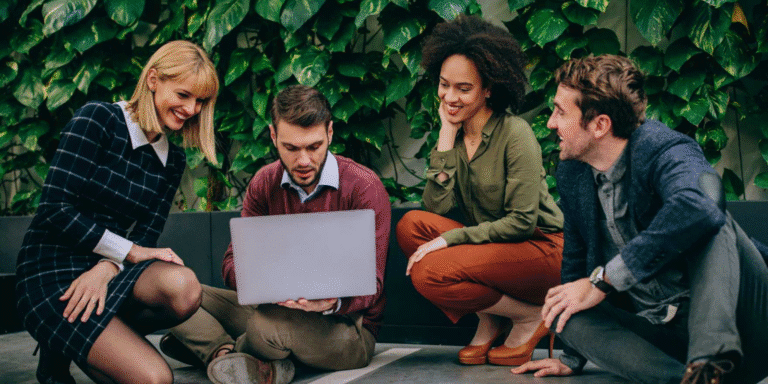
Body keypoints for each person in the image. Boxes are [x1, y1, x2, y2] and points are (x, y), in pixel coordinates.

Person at [512, 54, 768, 384]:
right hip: (666, 337)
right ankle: (690, 380)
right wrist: (572, 357)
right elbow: (575, 261)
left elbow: (702, 204)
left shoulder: (663, 148)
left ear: (600, 125)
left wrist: (605, 280)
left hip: (747, 325)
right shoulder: (573, 173)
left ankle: (710, 356)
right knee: (566, 316)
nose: (550, 123)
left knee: (711, 223)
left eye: (561, 112)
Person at [15, 40, 219, 384]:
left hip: (110, 268)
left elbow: (144, 236)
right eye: (184, 94)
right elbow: (54, 209)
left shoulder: (173, 160)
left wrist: (108, 265)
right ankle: (61, 344)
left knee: (184, 287)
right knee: (155, 380)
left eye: (200, 101)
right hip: (51, 268)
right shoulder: (98, 119)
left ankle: (72, 342)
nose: (192, 109)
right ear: (153, 79)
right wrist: (127, 253)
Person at [160, 84, 391, 384]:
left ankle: (213, 348)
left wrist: (330, 302)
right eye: (291, 148)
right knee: (173, 293)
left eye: (314, 146)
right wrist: (264, 282)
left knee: (264, 328)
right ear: (273, 137)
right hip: (272, 309)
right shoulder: (264, 182)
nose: (304, 160)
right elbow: (232, 263)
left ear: (330, 133)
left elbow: (372, 283)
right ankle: (228, 354)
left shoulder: (363, 186)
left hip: (347, 327)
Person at [395, 15, 564, 366]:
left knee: (429, 271)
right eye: (444, 85)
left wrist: (449, 241)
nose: (450, 97)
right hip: (495, 248)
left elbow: (520, 223)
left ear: (489, 88)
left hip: (541, 249)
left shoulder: (515, 133)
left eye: (463, 88)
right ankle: (493, 317)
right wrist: (445, 137)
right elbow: (435, 209)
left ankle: (532, 315)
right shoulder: (454, 133)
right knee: (411, 226)